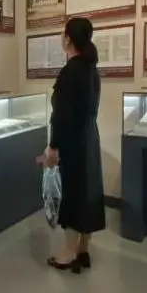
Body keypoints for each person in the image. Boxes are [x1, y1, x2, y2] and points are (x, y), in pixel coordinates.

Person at [39, 17, 105, 274]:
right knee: (88, 191)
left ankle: (68, 253)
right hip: (89, 137)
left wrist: (53, 147)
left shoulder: (70, 71)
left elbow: (61, 115)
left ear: (68, 38)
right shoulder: (92, 69)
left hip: (72, 142)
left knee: (72, 194)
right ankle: (83, 249)